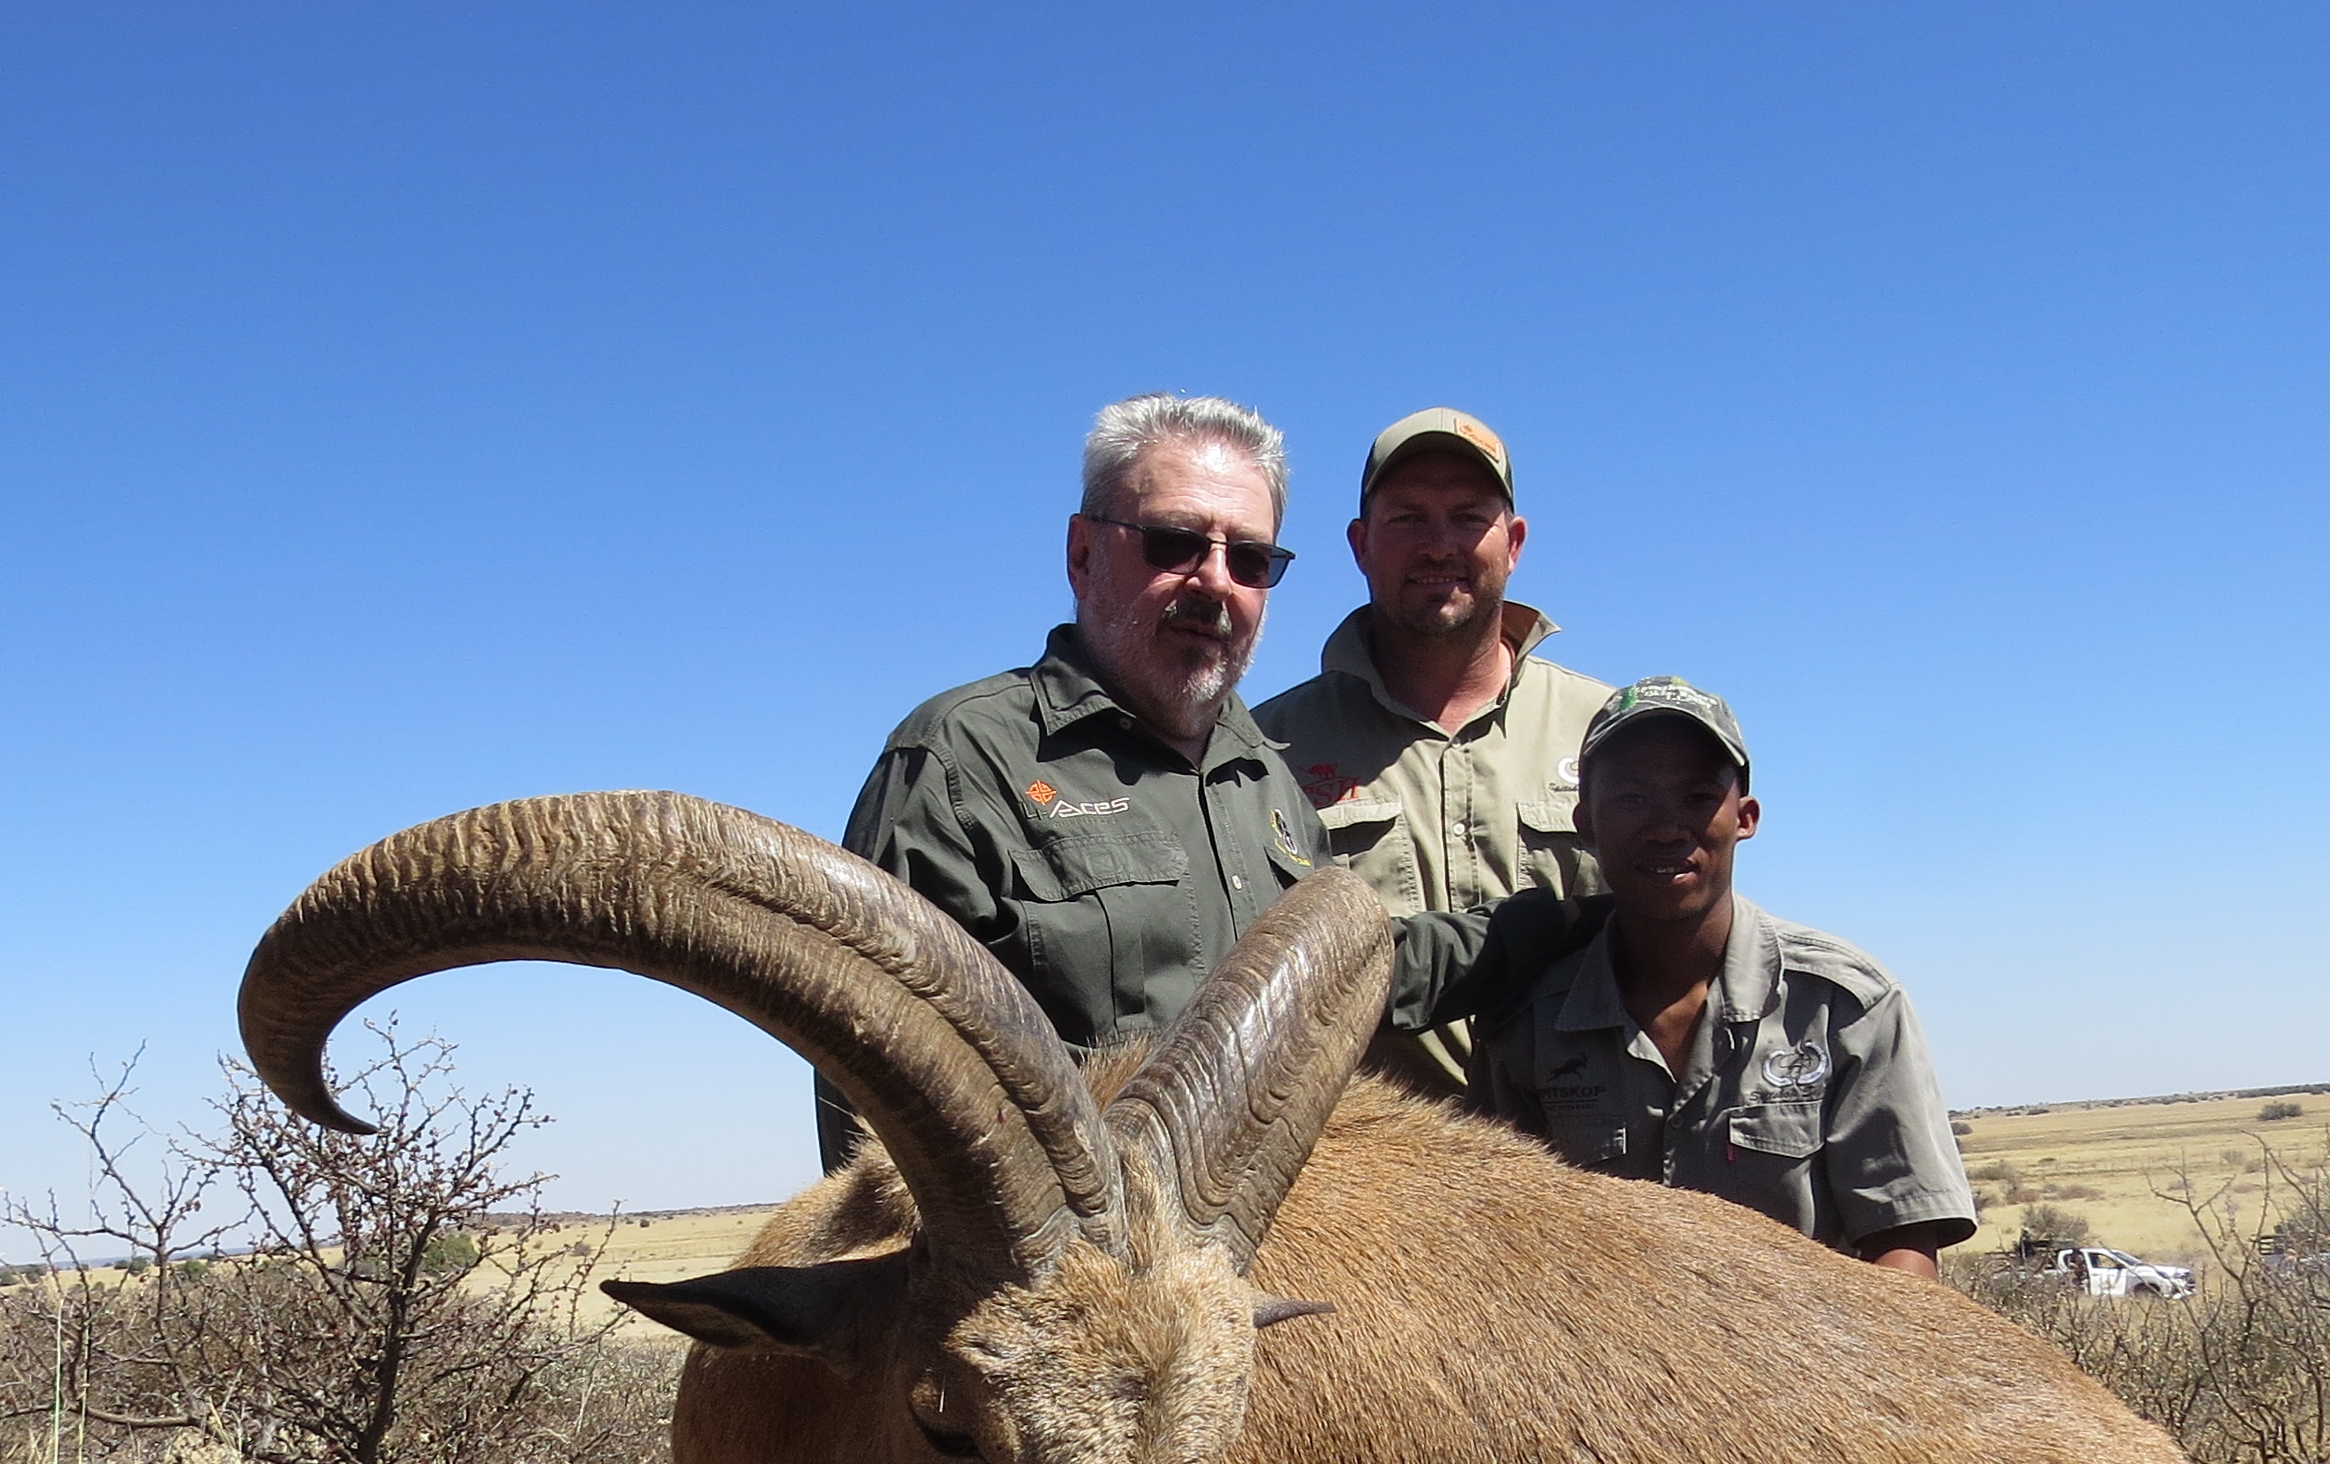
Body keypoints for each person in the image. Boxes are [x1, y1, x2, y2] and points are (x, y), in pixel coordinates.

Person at [824, 394, 1593, 1168]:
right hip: (1091, 1246)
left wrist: (1560, 922)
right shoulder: (960, 761)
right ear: (1083, 554)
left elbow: (1355, 974)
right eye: (1174, 544)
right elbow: (870, 1090)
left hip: (1293, 1232)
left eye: (1250, 559)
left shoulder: (1265, 774)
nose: (1215, 581)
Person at [1479, 676, 1976, 1273]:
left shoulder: (1844, 1005)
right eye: (1632, 798)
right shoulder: (1530, 1026)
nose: (1667, 828)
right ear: (1584, 821)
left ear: (1745, 817)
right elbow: (1507, 1248)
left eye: (1697, 797)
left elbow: (1905, 1243)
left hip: (1805, 1331)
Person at [1253, 408, 1613, 1097]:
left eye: (1468, 517)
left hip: (1586, 1147)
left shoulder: (1607, 731)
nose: (1439, 545)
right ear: (1361, 544)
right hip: (1379, 1157)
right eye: (1408, 518)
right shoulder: (1263, 752)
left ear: (1514, 542)